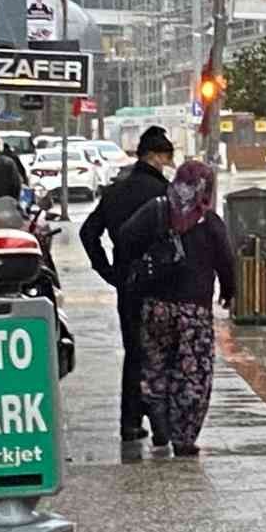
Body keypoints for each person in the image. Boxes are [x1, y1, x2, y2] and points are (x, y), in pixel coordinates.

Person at [118, 160, 234, 457]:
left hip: (155, 307)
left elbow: (125, 238)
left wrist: (141, 265)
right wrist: (229, 292)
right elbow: (226, 261)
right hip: (193, 311)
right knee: (192, 374)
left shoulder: (155, 212)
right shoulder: (209, 222)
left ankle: (159, 420)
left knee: (156, 367)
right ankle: (183, 437)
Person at [79, 126, 175, 443]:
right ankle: (162, 420)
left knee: (134, 351)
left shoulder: (115, 191)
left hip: (128, 282)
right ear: (157, 156)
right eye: (166, 157)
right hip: (162, 283)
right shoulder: (164, 193)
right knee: (163, 352)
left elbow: (88, 233)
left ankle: (131, 421)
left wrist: (107, 270)